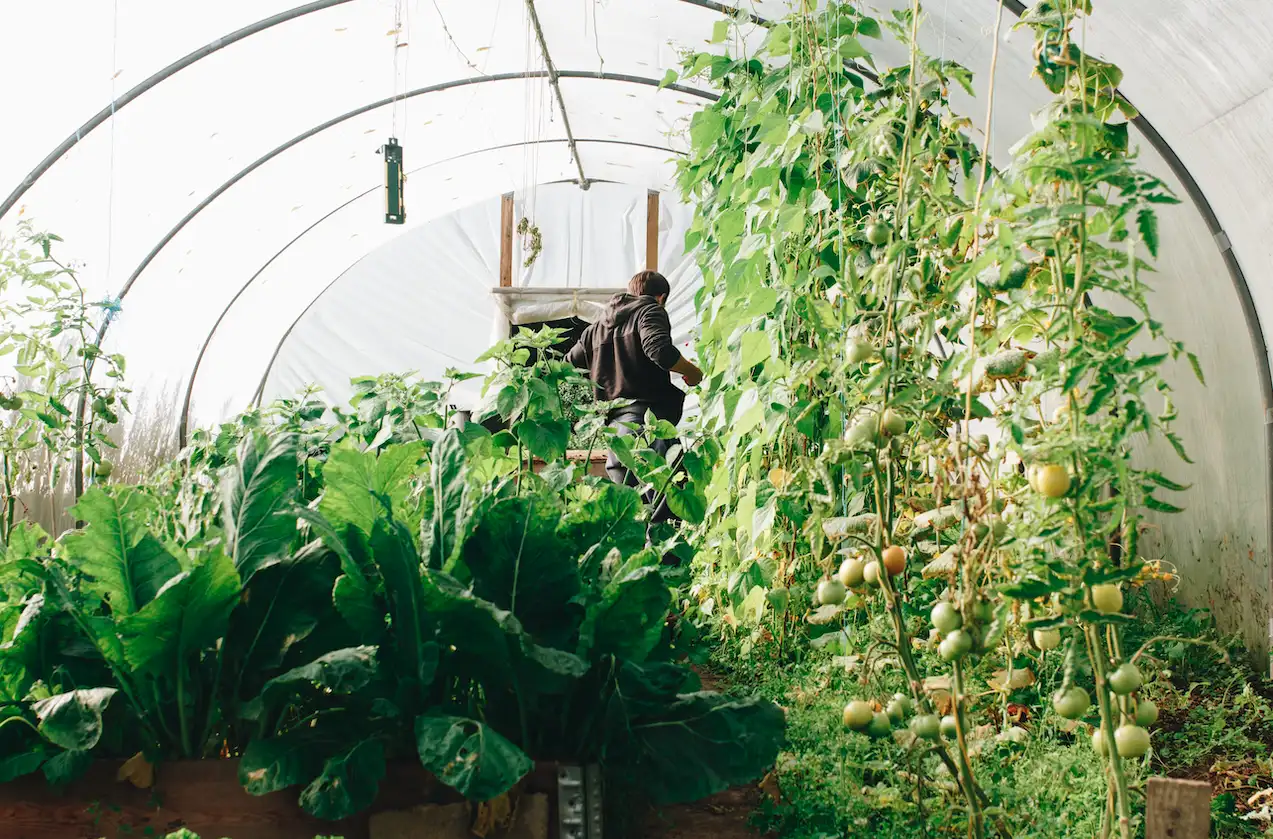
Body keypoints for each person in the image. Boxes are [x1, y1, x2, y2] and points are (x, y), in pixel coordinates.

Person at [566, 270, 703, 523]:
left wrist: (604, 376)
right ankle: (668, 563)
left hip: (614, 436)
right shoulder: (649, 311)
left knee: (633, 517)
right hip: (646, 427)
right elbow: (659, 350)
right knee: (669, 506)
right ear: (660, 297)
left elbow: (567, 366)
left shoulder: (595, 328)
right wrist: (692, 372)